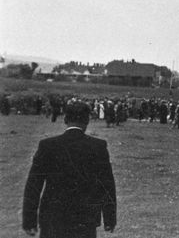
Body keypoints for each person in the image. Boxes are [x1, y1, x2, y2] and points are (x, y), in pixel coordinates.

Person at [22, 100, 117, 237]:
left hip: (52, 217)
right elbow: (107, 185)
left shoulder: (47, 146)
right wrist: (110, 219)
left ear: (65, 119)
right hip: (85, 219)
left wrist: (29, 221)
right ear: (87, 120)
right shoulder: (98, 147)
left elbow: (33, 185)